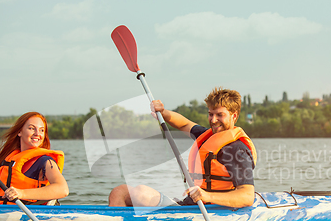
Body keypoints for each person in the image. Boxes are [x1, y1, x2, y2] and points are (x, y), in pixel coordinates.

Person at [108, 87, 257, 208]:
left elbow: (247, 196)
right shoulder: (208, 136)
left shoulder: (237, 150)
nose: (213, 120)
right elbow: (184, 124)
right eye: (211, 114)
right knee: (119, 192)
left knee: (140, 193)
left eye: (220, 115)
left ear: (234, 116)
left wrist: (206, 195)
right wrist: (163, 112)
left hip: (212, 209)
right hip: (190, 205)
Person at [0, 112, 69, 205]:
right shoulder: (9, 158)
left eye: (41, 130)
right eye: (31, 128)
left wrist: (21, 193)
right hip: (1, 212)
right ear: (19, 132)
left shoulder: (46, 162)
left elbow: (62, 189)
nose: (37, 134)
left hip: (29, 215)